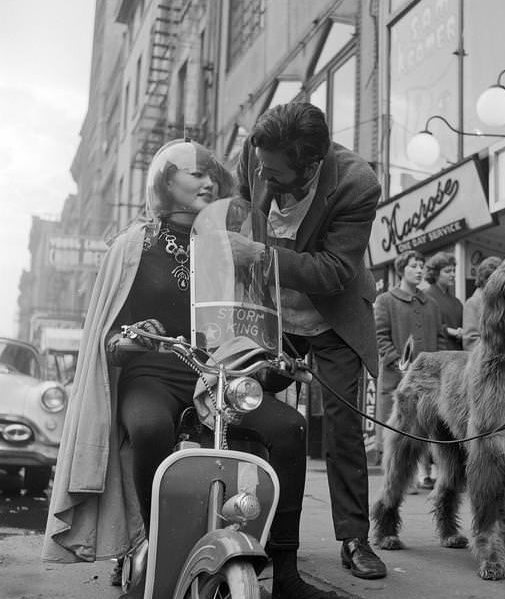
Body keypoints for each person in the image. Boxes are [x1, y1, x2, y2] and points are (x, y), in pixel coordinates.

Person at [42, 139, 347, 599]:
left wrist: (277, 355)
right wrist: (130, 338)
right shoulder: (131, 246)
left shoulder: (230, 248)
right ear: (166, 182)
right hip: (152, 375)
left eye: (210, 174)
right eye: (193, 173)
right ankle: (153, 556)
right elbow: (106, 336)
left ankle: (285, 570)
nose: (207, 181)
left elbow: (250, 317)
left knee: (290, 428)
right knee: (149, 429)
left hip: (218, 377)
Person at [235, 102, 387, 580]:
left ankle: (355, 538)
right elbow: (239, 206)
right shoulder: (257, 153)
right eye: (262, 168)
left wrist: (261, 254)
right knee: (240, 406)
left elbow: (336, 270)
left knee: (343, 432)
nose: (265, 178)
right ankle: (246, 522)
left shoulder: (356, 183)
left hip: (332, 315)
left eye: (277, 175)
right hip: (271, 311)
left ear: (312, 165)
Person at [373, 250, 446, 479]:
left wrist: (439, 367)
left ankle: (423, 474)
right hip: (398, 376)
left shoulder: (431, 304)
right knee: (398, 427)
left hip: (429, 379)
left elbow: (441, 338)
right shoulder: (386, 300)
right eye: (414, 265)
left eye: (421, 265)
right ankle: (396, 476)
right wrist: (398, 361)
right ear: (401, 269)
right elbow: (379, 335)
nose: (419, 270)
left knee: (426, 424)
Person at [422, 252, 463, 350]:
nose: (453, 274)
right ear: (435, 274)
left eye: (454, 270)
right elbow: (425, 325)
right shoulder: (425, 296)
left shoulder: (456, 301)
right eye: (447, 271)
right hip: (438, 352)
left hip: (457, 353)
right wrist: (450, 331)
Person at [462, 256, 503, 351]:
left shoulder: (498, 301)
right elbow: (470, 342)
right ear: (484, 279)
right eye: (495, 280)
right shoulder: (473, 303)